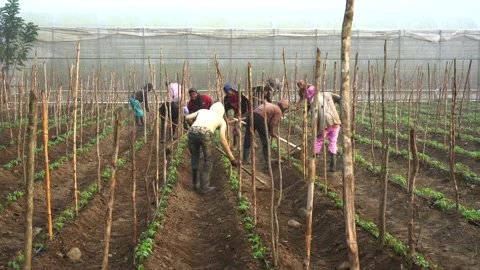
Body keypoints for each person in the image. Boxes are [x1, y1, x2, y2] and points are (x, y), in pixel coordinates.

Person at [185, 102, 240, 194]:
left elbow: (187, 117)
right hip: (206, 134)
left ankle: (195, 184)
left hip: (192, 133)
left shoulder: (202, 111)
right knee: (208, 160)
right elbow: (223, 140)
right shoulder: (221, 120)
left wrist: (193, 126)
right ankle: (204, 187)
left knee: (195, 157)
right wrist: (232, 158)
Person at [242, 99, 289, 170]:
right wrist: (272, 133)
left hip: (251, 115)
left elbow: (256, 109)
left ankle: (245, 159)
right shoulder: (278, 111)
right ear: (284, 108)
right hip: (260, 118)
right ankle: (267, 162)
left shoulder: (270, 104)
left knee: (248, 136)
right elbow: (272, 124)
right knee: (266, 140)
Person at [313, 92, 341, 172]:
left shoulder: (313, 100)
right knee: (333, 142)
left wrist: (316, 129)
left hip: (324, 123)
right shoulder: (328, 94)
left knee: (319, 140)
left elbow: (315, 117)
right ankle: (333, 167)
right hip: (336, 121)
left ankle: (313, 163)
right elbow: (340, 98)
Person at [223, 83, 250, 148]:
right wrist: (226, 117)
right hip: (236, 113)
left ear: (231, 90)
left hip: (244, 112)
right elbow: (226, 108)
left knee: (248, 127)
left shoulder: (239, 94)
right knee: (235, 129)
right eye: (226, 93)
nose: (228, 94)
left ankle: (252, 142)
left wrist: (248, 112)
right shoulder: (226, 99)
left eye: (228, 92)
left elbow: (247, 102)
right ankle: (235, 145)